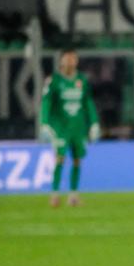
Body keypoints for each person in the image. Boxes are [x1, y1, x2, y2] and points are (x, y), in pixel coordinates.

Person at [40, 48, 100, 207]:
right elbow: (46, 102)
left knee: (77, 160)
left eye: (74, 59)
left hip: (78, 126)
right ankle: (54, 194)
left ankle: (73, 195)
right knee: (60, 158)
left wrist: (94, 122)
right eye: (68, 59)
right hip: (61, 127)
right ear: (61, 61)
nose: (71, 62)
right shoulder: (54, 80)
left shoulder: (81, 79)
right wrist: (44, 123)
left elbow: (88, 102)